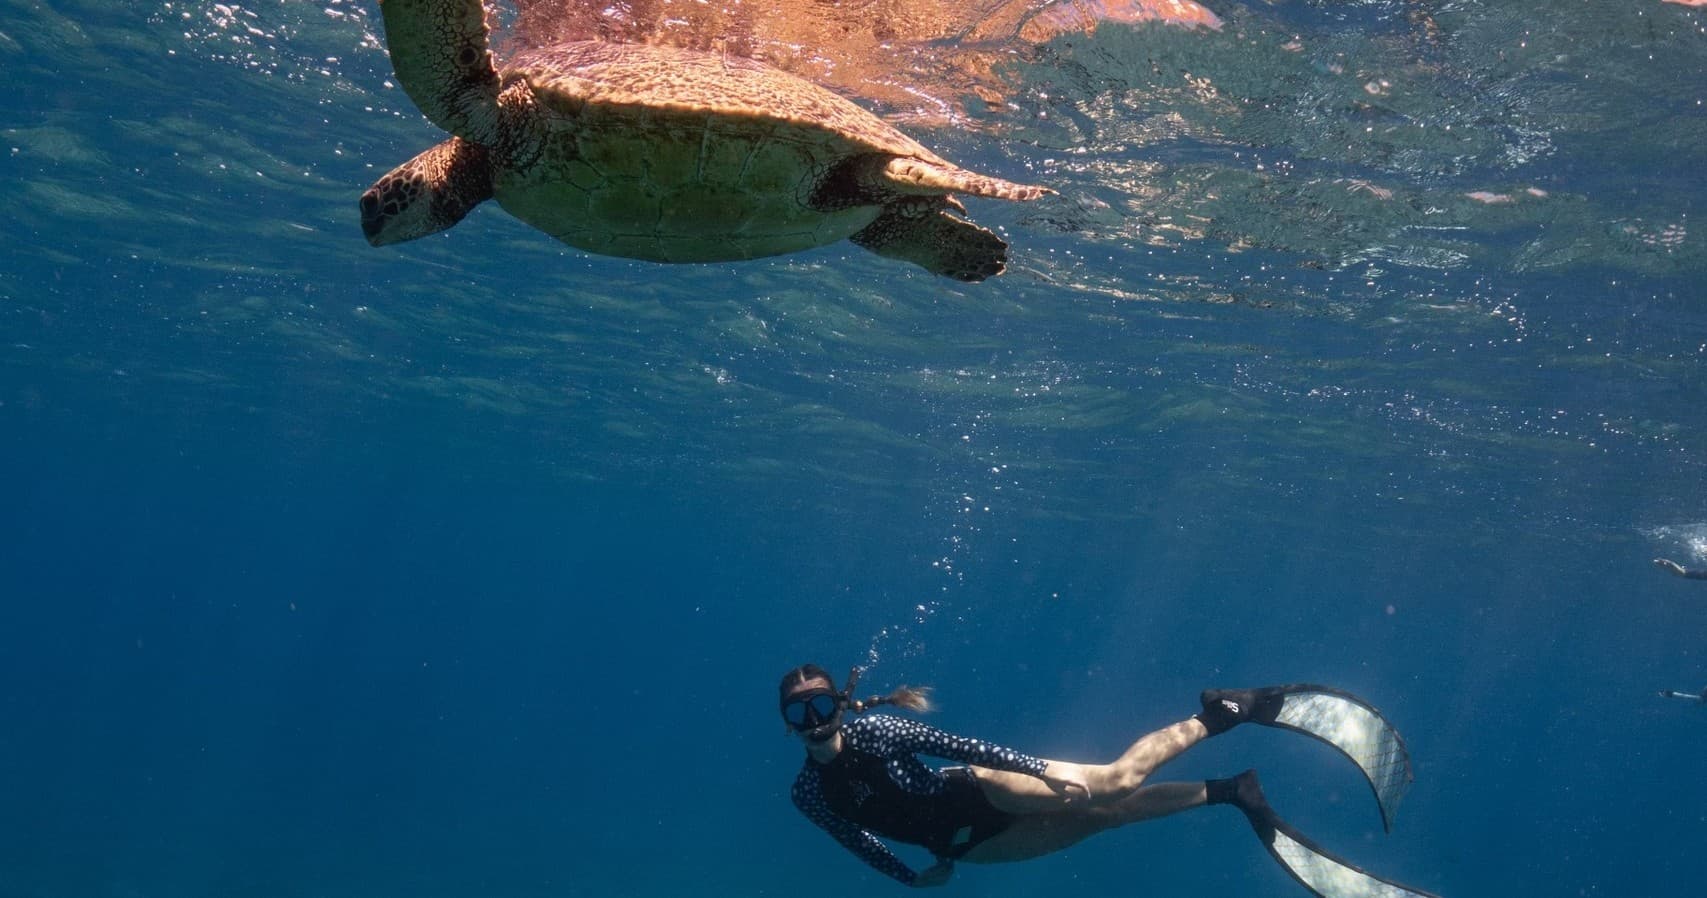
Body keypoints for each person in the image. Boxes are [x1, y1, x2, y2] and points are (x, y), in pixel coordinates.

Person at [780, 664, 1442, 898]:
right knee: (1109, 817)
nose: (812, 719)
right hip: (963, 846)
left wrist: (1039, 773)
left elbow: (962, 745)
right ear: (788, 723)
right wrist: (907, 878)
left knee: (1116, 783)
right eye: (797, 711)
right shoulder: (806, 794)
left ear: (839, 703)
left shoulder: (881, 732)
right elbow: (852, 837)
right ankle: (1231, 793)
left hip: (980, 789)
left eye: (819, 703)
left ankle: (1225, 712)